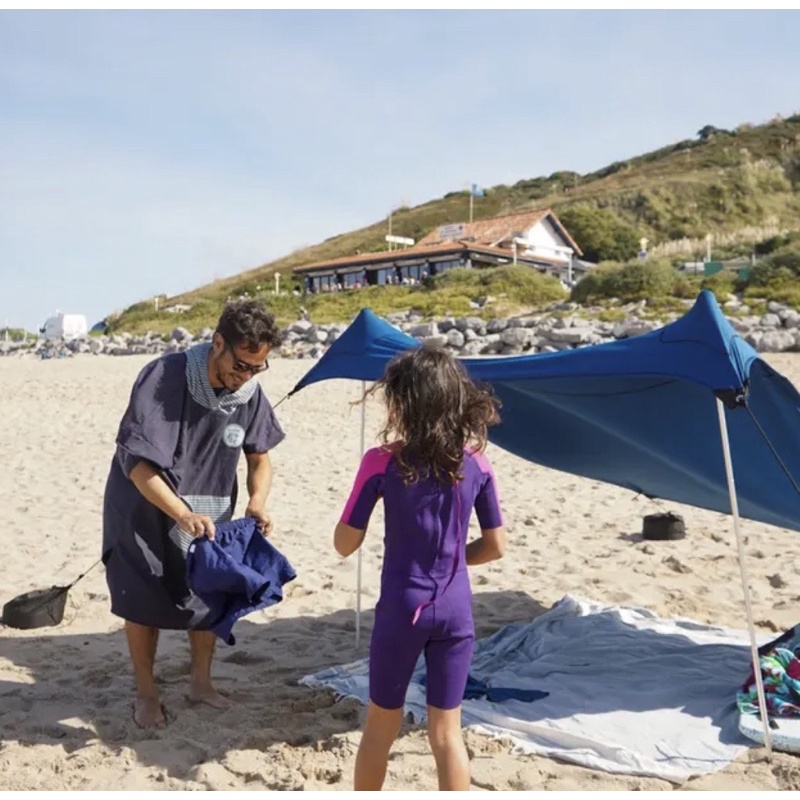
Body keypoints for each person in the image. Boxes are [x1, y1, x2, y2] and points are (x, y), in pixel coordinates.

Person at [102, 298, 286, 729]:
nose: (247, 376)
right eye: (241, 365)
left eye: (258, 368)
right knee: (142, 596)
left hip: (210, 507)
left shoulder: (249, 392)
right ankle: (146, 695)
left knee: (209, 593)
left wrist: (257, 501)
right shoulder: (164, 376)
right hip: (143, 505)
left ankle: (200, 683)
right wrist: (181, 512)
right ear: (218, 343)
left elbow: (259, 457)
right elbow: (138, 466)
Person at [333, 345, 506, 791]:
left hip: (401, 608)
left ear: (402, 403)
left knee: (380, 726)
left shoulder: (382, 460)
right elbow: (495, 546)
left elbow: (344, 544)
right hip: (456, 609)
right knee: (447, 735)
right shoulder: (478, 462)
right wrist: (450, 557)